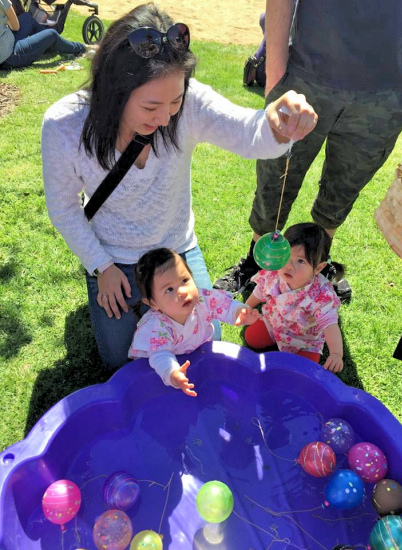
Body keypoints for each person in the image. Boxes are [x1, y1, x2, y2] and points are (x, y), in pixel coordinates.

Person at [41, 3, 318, 371]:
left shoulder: (188, 103)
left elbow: (250, 133)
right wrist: (100, 266)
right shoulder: (64, 125)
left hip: (176, 251)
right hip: (114, 254)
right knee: (126, 363)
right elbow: (63, 209)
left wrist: (279, 123)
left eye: (175, 101)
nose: (166, 117)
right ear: (114, 89)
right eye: (151, 106)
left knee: (205, 344)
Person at [214, 0, 402, 296]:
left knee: (344, 188)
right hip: (306, 76)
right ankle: (258, 260)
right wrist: (276, 76)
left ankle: (318, 261)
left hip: (388, 92)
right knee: (276, 174)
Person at [128, 248, 261, 396]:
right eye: (169, 289)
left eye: (184, 280)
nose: (182, 291)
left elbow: (225, 305)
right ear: (153, 303)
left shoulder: (202, 299)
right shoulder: (157, 328)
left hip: (192, 350)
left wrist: (239, 312)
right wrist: (172, 373)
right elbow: (160, 355)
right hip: (157, 365)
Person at [244, 223, 344, 373]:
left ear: (318, 268)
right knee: (251, 337)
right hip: (274, 324)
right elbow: (260, 290)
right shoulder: (274, 273)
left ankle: (302, 354)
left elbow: (330, 325)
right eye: (286, 257)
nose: (289, 266)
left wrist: (337, 353)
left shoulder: (321, 295)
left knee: (302, 370)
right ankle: (274, 338)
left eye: (300, 261)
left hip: (304, 340)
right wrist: (246, 307)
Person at [0, 0, 92, 69]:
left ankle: (48, 44)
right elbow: (15, 27)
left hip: (6, 43)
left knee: (27, 18)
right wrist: (6, 20)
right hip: (8, 57)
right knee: (52, 34)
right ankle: (83, 48)